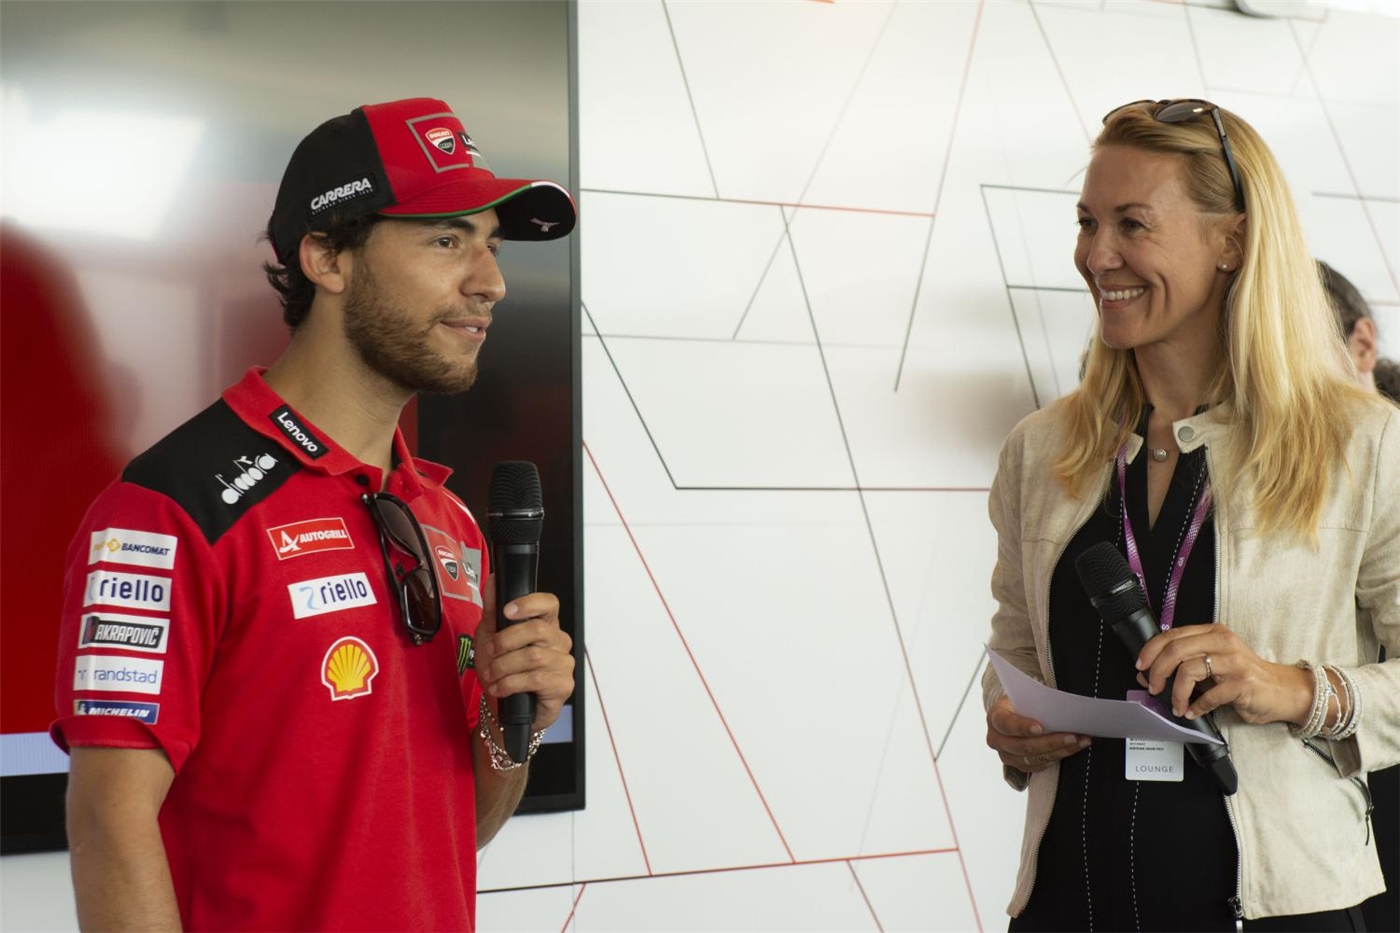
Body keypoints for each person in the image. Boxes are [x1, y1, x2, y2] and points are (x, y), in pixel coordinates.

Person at [51, 97, 579, 932]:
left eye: (493, 246)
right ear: (327, 256)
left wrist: (512, 721)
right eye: (447, 241)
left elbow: (451, 836)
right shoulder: (171, 508)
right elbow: (109, 825)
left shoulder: (451, 522)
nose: (491, 282)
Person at [982, 99, 1399, 930]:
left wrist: (1295, 687)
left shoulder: (1363, 443)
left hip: (1279, 909)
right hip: (1069, 905)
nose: (1096, 255)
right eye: (1087, 222)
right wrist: (1009, 721)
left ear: (1232, 242)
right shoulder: (1041, 448)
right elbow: (1016, 649)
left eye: (1132, 224)